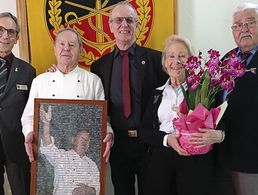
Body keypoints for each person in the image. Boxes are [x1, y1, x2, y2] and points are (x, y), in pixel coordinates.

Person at [90, 1, 168, 195]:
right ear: (110, 26)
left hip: (149, 143)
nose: (124, 24)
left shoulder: (157, 60)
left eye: (129, 20)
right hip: (118, 144)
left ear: (137, 25)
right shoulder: (99, 66)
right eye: (118, 20)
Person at [140, 35, 226, 195]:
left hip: (194, 160)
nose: (176, 61)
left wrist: (219, 135)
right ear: (165, 62)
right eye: (171, 56)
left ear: (191, 61)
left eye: (182, 56)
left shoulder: (204, 91)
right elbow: (144, 132)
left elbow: (221, 125)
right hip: (161, 159)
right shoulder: (156, 94)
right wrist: (167, 139)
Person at [21, 28, 113, 163]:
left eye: (71, 45)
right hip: (48, 151)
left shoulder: (93, 81)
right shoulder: (40, 81)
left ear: (80, 50)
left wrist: (108, 133)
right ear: (54, 48)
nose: (66, 48)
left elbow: (101, 119)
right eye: (61, 44)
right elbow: (29, 117)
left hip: (82, 152)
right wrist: (29, 133)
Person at [221, 3, 258, 195]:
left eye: (250, 22)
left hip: (253, 157)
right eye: (238, 25)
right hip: (225, 153)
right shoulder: (225, 60)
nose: (243, 29)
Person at [0, 12, 36, 195]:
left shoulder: (28, 71)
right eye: (0, 30)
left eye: (11, 32)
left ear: (17, 38)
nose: (5, 36)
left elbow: (33, 110)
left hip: (17, 147)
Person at [40, 106, 99, 195]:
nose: (85, 142)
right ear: (73, 140)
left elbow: (98, 188)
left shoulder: (92, 164)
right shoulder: (62, 156)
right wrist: (46, 124)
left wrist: (90, 190)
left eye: (87, 140)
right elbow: (48, 147)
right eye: (82, 139)